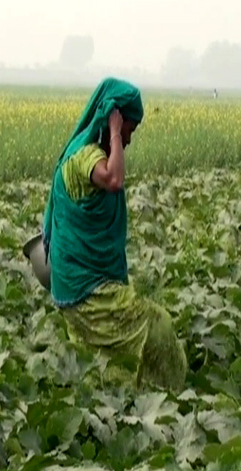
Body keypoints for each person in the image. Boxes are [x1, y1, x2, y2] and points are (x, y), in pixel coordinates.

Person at [41, 77, 188, 390]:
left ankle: (119, 399)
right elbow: (114, 180)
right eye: (130, 129)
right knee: (155, 324)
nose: (130, 140)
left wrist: (117, 134)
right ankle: (172, 393)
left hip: (83, 281)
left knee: (102, 355)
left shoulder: (91, 154)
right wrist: (116, 132)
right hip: (84, 287)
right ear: (112, 119)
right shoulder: (84, 157)